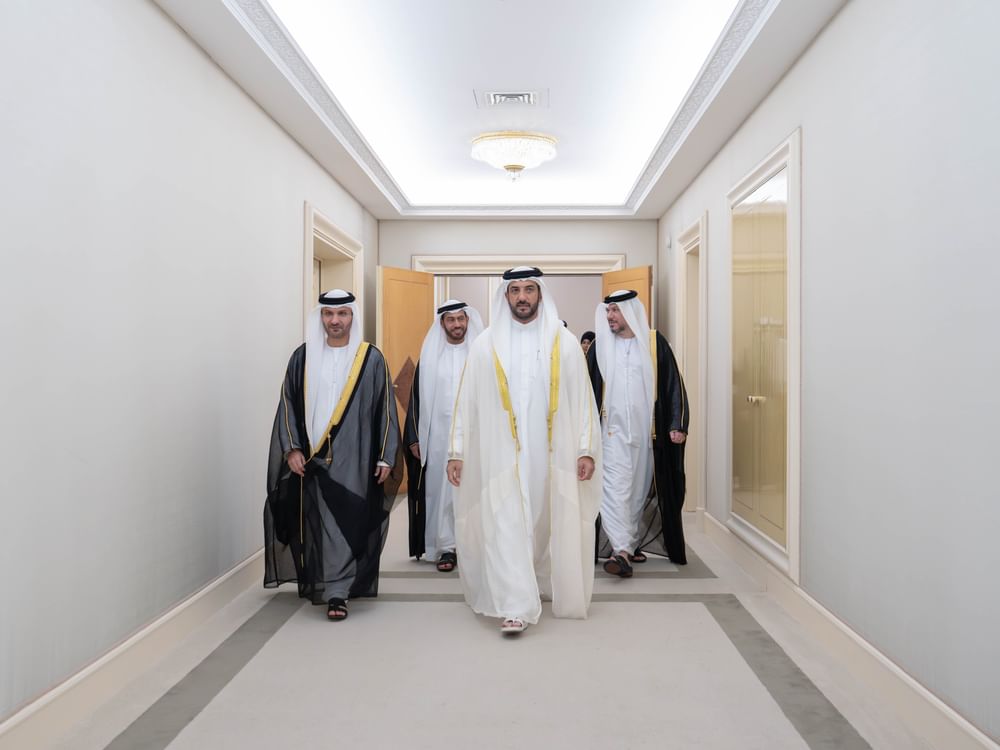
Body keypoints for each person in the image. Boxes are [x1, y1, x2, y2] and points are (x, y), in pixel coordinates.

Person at [447, 267, 601, 635]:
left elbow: (583, 399)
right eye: (515, 290)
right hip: (498, 456)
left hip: (549, 456)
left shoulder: (564, 343)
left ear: (540, 294)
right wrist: (457, 451)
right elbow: (466, 402)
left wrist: (585, 449)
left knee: (543, 522)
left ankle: (537, 580)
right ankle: (514, 604)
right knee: (505, 521)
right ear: (505, 296)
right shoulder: (485, 344)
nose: (522, 297)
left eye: (529, 289)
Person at [263, 289, 401, 621]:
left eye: (342, 314)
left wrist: (385, 455)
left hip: (356, 455)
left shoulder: (371, 358)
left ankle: (339, 586)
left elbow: (385, 408)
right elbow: (287, 403)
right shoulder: (302, 357)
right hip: (311, 458)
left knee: (348, 521)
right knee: (318, 522)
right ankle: (334, 588)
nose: (335, 320)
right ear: (321, 317)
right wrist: (292, 448)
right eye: (328, 314)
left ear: (353, 316)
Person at [586, 289, 688, 578]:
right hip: (610, 434)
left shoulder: (654, 343)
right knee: (614, 490)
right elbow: (585, 390)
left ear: (630, 311)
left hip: (647, 435)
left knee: (638, 491)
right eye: (608, 311)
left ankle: (629, 545)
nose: (610, 316)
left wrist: (677, 423)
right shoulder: (599, 347)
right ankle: (620, 551)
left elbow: (673, 384)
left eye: (615, 311)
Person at [403, 299, 484, 572]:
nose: (457, 324)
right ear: (442, 323)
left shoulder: (481, 355)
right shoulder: (429, 359)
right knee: (441, 492)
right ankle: (446, 546)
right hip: (437, 438)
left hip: (475, 437)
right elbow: (416, 401)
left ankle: (472, 546)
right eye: (451, 319)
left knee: (473, 490)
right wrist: (415, 437)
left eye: (461, 319)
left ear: (468, 320)